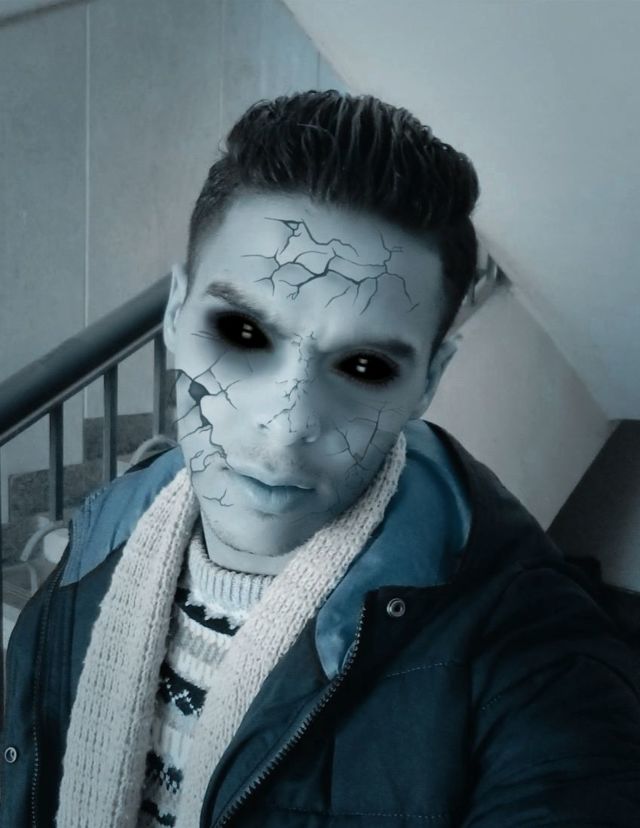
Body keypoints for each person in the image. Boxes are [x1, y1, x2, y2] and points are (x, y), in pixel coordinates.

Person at [2, 90, 640, 828]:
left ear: (428, 383)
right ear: (176, 313)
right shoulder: (98, 539)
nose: (285, 429)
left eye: (364, 367)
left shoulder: (534, 662)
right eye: (243, 332)